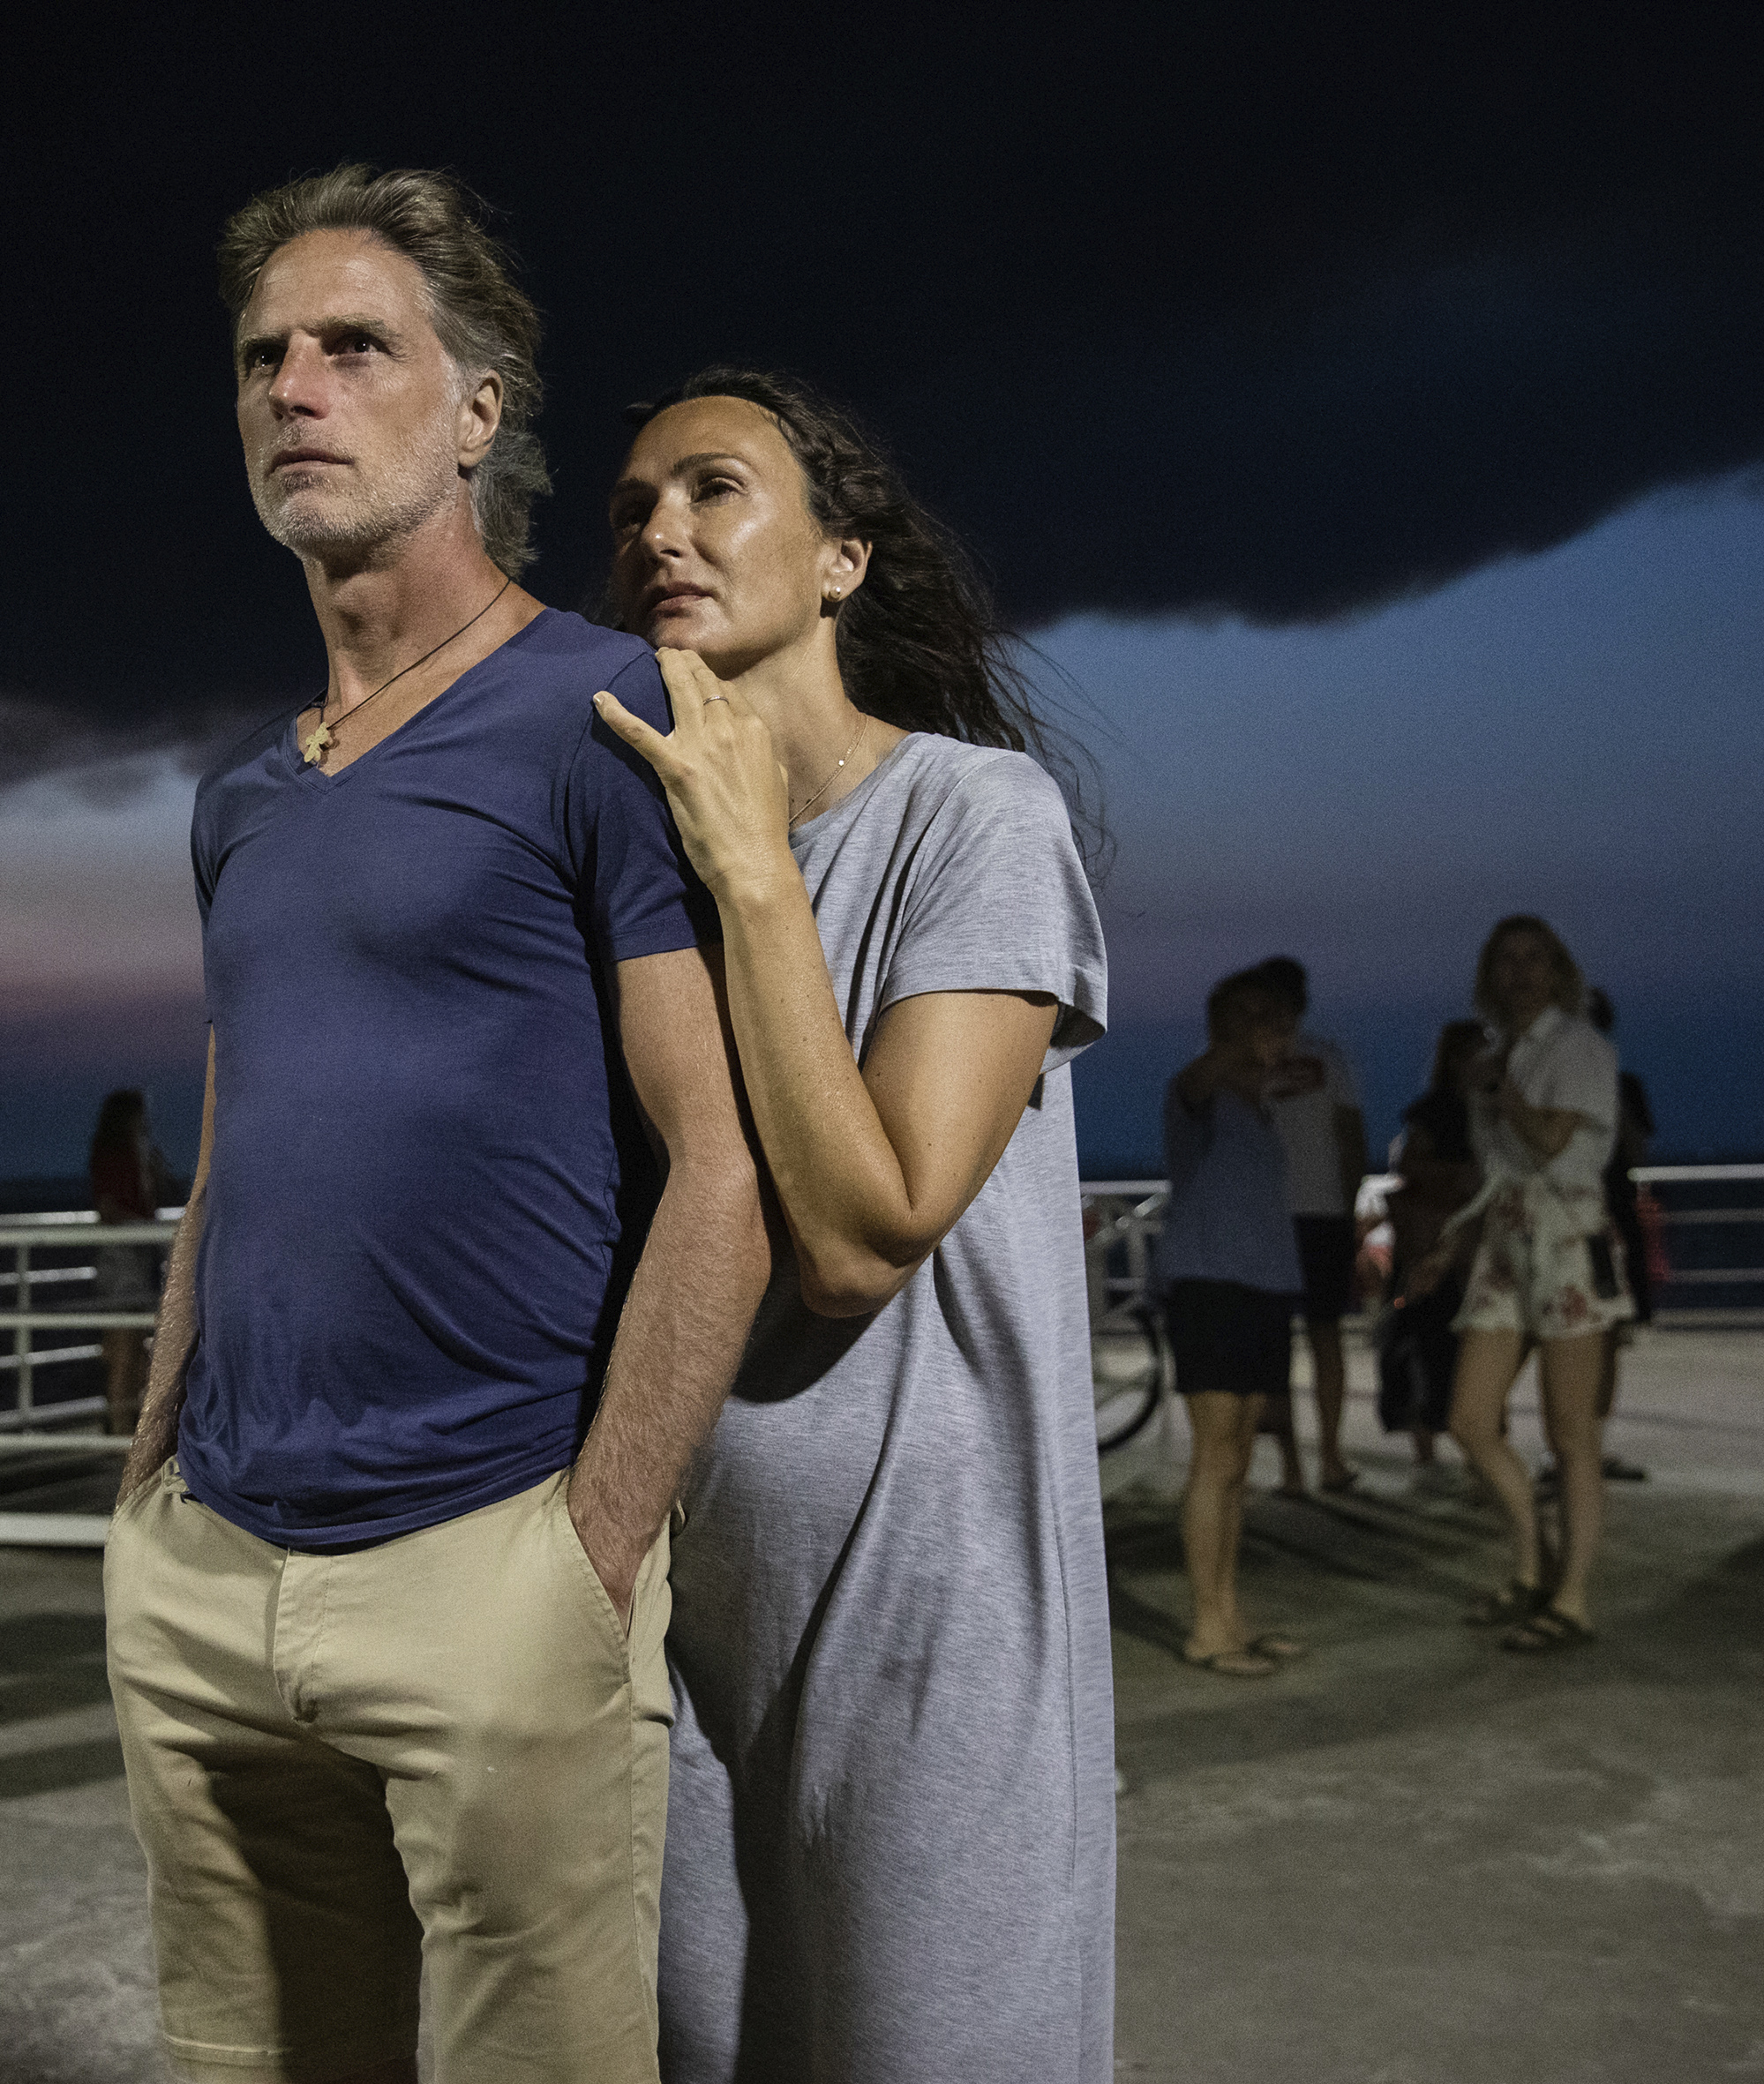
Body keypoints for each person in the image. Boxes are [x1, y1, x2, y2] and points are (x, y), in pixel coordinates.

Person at [101, 167, 765, 2084]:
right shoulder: (242, 796)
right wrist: (147, 1487)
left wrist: (590, 1554)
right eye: (260, 357)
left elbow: (715, 1154)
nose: (294, 386)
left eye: (353, 346)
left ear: (476, 412)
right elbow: (228, 1165)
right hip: (209, 1571)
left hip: (489, 1562)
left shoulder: (609, 713)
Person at [594, 366, 1115, 2080]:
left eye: (713, 488)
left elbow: (863, 1229)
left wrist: (755, 876)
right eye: (633, 507)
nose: (660, 528)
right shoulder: (632, 873)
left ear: (840, 560)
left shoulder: (974, 817)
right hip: (672, 1627)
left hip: (925, 1625)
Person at [1401, 918, 1631, 1653]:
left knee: (1571, 1436)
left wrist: (1500, 1091)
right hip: (1504, 1243)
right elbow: (1495, 1168)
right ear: (1489, 977)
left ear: (1559, 970)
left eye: (1534, 958)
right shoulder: (1493, 1061)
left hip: (1567, 1241)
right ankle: (1533, 1565)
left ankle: (1572, 1598)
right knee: (1469, 1420)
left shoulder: (1581, 1048)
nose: (1520, 971)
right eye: (1506, 961)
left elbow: (1549, 1141)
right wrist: (1452, 1244)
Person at [1140, 971, 1304, 1686]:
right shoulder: (1196, 1091)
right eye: (1248, 1013)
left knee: (1238, 1457)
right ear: (1219, 1024)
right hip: (1208, 1285)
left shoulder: (1261, 1107)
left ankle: (1230, 1613)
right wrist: (1243, 1045)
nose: (1266, 1025)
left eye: (1274, 1015)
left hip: (1266, 1285)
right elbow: (1200, 1078)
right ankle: (1206, 1628)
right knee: (1214, 1455)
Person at [1251, 956, 1365, 1496]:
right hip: (1273, 1217)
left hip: (1321, 1215)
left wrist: (1347, 1210)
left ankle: (1331, 1456)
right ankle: (1295, 1466)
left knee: (1323, 1337)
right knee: (1276, 1345)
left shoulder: (1327, 1057)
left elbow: (1351, 1136)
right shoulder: (1244, 1065)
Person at [1378, 1020, 1489, 1480]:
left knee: (1451, 1346)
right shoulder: (1439, 1110)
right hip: (1439, 1245)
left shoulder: (1486, 1108)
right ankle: (1439, 1450)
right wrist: (1461, 1179)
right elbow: (1410, 1164)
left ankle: (1460, 1449)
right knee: (1428, 1342)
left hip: (1460, 1246)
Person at [1587, 987, 1657, 1482]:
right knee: (1564, 1335)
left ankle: (1591, 1446)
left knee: (1609, 1335)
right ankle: (1569, 1448)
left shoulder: (1622, 1084)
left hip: (1611, 1219)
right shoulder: (1534, 1079)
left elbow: (1635, 1150)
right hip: (1567, 1219)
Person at [86, 1088, 175, 1437]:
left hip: (141, 1254)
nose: (145, 1120)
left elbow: (157, 1194)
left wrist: (155, 1170)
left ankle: (125, 1422)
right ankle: (120, 1425)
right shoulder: (114, 1154)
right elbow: (110, 1208)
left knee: (134, 1342)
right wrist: (140, 1227)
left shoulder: (137, 1153)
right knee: (124, 1341)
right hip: (125, 1256)